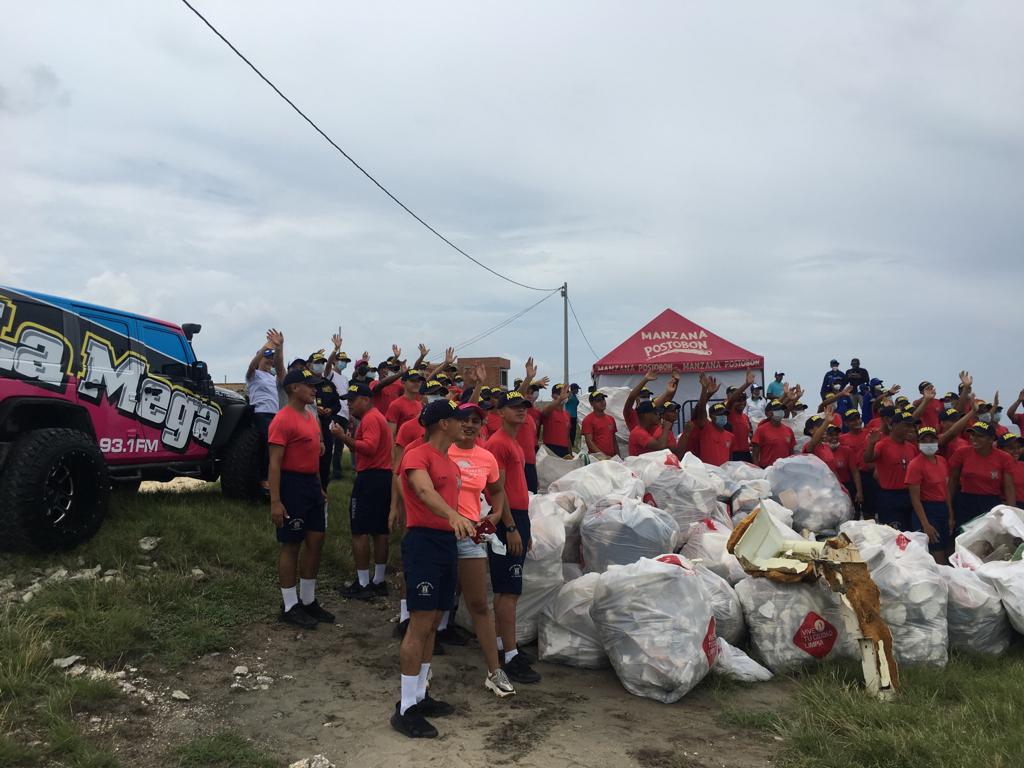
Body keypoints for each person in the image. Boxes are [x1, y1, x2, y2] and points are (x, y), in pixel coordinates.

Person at [391, 399, 477, 739]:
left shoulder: (450, 463)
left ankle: (420, 695)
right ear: (444, 423)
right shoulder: (418, 454)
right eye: (459, 420)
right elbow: (423, 491)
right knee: (420, 622)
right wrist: (452, 515)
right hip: (423, 543)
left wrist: (468, 522)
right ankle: (405, 707)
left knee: (434, 623)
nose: (465, 426)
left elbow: (447, 504)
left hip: (444, 544)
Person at [447, 402, 516, 698]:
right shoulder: (442, 451)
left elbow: (498, 489)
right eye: (464, 419)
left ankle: (494, 670)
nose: (470, 425)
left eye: (476, 421)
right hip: (438, 533)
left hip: (471, 535)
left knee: (479, 604)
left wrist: (497, 513)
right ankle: (421, 670)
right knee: (431, 603)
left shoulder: (486, 457)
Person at [268, 367, 334, 629]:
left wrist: (318, 485)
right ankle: (289, 604)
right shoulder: (282, 420)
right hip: (291, 484)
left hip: (311, 485)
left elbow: (313, 455)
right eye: (309, 385)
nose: (314, 390)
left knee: (316, 540)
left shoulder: (309, 416)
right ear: (295, 388)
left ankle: (308, 600)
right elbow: (274, 463)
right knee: (291, 544)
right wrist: (275, 500)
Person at [484, 390, 542, 684]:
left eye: (524, 407)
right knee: (508, 590)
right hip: (508, 521)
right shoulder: (497, 443)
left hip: (519, 517)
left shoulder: (514, 443)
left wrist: (524, 526)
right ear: (500, 412)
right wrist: (510, 527)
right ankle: (510, 655)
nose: (522, 411)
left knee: (510, 590)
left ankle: (502, 646)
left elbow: (518, 488)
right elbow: (497, 491)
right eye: (515, 407)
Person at [334, 382, 395, 599]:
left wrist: (342, 436)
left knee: (359, 530)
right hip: (382, 476)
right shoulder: (376, 417)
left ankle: (363, 583)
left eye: (352, 400)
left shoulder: (370, 418)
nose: (349, 405)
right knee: (380, 531)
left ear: (366, 399)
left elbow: (368, 448)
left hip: (370, 477)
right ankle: (378, 580)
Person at [947, 421, 1017, 529]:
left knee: (989, 537)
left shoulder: (1004, 458)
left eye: (980, 436)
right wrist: (949, 508)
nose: (974, 438)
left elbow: (1009, 487)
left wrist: (1011, 513)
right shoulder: (961, 453)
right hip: (965, 501)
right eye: (973, 434)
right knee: (965, 536)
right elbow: (952, 482)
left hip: (991, 502)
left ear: (991, 439)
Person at [906, 427, 955, 564]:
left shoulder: (942, 461)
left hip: (943, 509)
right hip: (927, 510)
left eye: (932, 440)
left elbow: (946, 490)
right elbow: (915, 499)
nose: (928, 443)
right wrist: (925, 524)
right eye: (924, 440)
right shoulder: (915, 465)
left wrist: (950, 515)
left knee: (949, 550)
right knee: (937, 554)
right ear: (918, 443)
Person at [245, 329, 285, 498]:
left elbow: (281, 367)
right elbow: (251, 366)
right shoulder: (254, 375)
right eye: (267, 357)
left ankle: (274, 478)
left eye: (271, 357)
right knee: (271, 442)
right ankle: (264, 478)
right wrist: (265, 347)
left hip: (275, 415)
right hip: (260, 413)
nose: (270, 359)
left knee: (275, 445)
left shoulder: (272, 377)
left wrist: (280, 346)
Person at [864, 412, 919, 530]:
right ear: (893, 426)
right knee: (894, 535)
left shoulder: (912, 447)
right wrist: (871, 444)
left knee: (911, 533)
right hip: (890, 498)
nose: (910, 429)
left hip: (909, 495)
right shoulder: (882, 445)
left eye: (911, 426)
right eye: (906, 425)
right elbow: (868, 459)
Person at [308, 350, 341, 491]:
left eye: (322, 363)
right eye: (317, 363)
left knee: (325, 458)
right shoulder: (305, 383)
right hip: (308, 426)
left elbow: (337, 404)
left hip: (326, 426)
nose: (320, 365)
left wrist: (330, 410)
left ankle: (323, 489)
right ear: (309, 365)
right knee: (309, 459)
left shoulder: (328, 384)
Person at [839, 409, 873, 519]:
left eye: (858, 418)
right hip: (852, 478)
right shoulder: (842, 439)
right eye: (852, 420)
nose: (857, 421)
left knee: (870, 511)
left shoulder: (871, 433)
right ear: (846, 423)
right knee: (854, 511)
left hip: (870, 476)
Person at [325, 336, 350, 480]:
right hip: (334, 413)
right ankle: (326, 470)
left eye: (345, 362)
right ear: (335, 361)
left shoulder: (345, 379)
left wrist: (350, 414)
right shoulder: (331, 374)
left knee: (340, 446)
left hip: (345, 415)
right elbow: (327, 366)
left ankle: (337, 473)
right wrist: (335, 349)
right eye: (341, 361)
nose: (343, 363)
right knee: (330, 444)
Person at [751, 400, 796, 468]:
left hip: (784, 469)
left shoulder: (788, 430)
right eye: (777, 410)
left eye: (781, 409)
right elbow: (755, 454)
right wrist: (757, 470)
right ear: (769, 413)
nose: (780, 411)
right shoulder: (761, 429)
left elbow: (791, 453)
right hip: (767, 469)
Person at [725, 371, 756, 461]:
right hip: (734, 454)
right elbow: (731, 400)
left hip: (746, 453)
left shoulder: (745, 417)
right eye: (739, 400)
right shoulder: (729, 411)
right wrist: (746, 384)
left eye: (744, 399)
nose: (742, 402)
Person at [386, 369, 426, 435]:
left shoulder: (419, 405)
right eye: (412, 381)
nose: (416, 383)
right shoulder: (395, 405)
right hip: (402, 444)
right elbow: (390, 434)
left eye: (419, 381)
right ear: (403, 382)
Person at [581, 390, 619, 458]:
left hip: (611, 458)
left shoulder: (611, 419)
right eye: (598, 400)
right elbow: (589, 441)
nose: (602, 402)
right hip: (597, 459)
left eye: (603, 399)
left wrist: (618, 455)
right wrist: (603, 456)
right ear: (592, 403)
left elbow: (614, 440)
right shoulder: (588, 420)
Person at [801, 410, 838, 475]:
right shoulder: (809, 446)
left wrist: (839, 483)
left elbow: (833, 470)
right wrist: (826, 422)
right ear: (811, 431)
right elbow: (814, 440)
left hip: (831, 483)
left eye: (824, 426)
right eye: (820, 426)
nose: (824, 429)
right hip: (817, 483)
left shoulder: (826, 446)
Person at [540, 384, 573, 457]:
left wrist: (570, 453)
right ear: (552, 396)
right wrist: (560, 399)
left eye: (565, 392)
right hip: (551, 449)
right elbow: (544, 412)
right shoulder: (549, 410)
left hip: (565, 450)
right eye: (559, 393)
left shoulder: (567, 414)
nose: (563, 395)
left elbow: (567, 437)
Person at [999, 433, 1024, 504]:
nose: (1016, 451)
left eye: (1018, 447)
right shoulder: (997, 468)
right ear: (1000, 449)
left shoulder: (1022, 465)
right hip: (1008, 509)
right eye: (1011, 448)